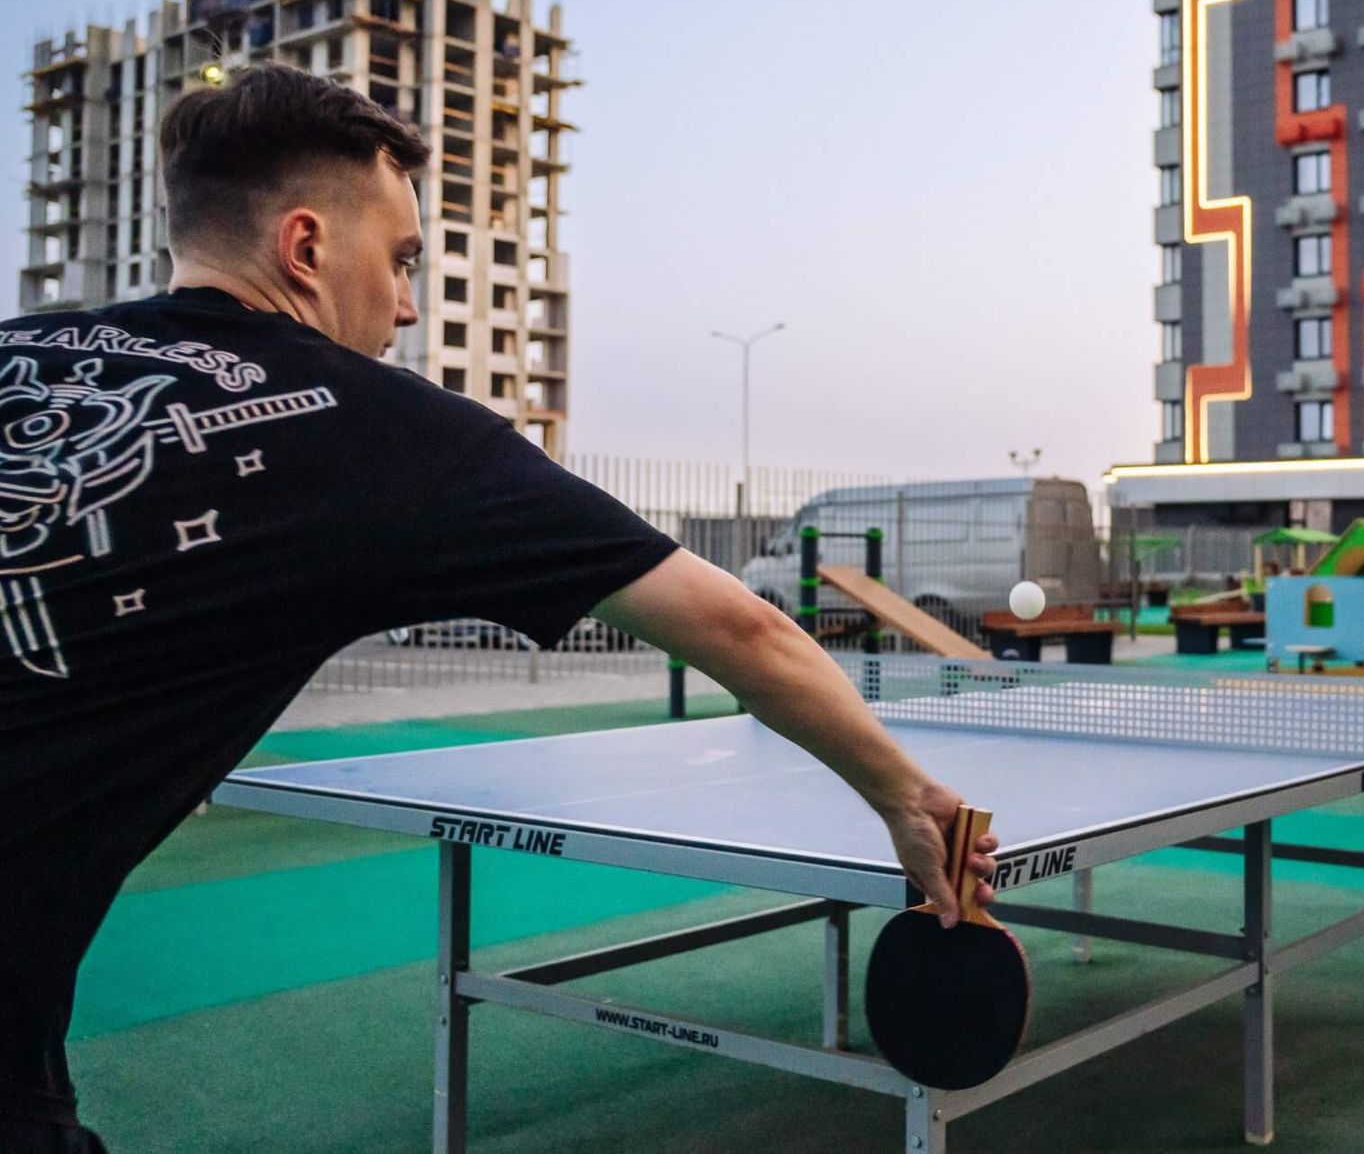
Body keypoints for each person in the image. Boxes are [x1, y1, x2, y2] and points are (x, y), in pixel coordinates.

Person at [0, 65, 996, 1153]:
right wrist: (906, 796)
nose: (409, 304)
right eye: (402, 260)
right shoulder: (384, 432)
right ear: (305, 248)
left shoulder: (18, 353)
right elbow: (740, 626)